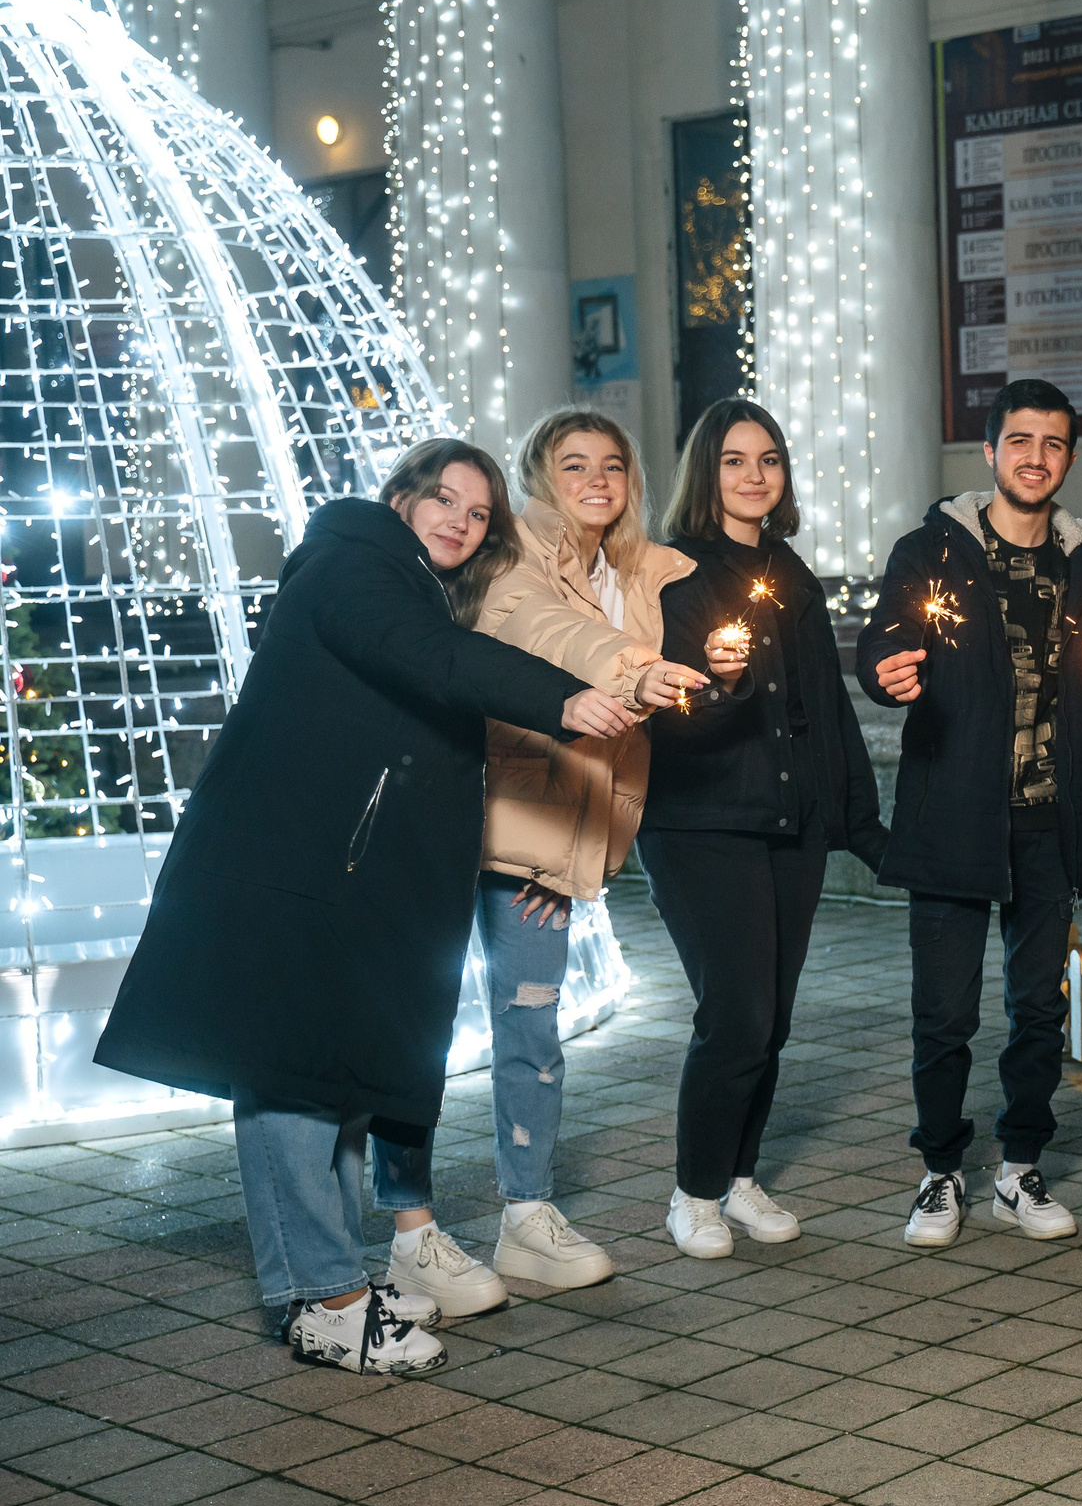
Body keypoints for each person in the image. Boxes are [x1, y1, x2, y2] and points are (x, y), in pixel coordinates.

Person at [94, 442, 629, 1375]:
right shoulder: (351, 560)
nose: (460, 521)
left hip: (335, 877)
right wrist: (565, 701)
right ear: (397, 499)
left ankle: (327, 1279)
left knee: (331, 1079)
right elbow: (431, 658)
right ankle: (325, 1298)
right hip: (291, 874)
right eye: (444, 499)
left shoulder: (402, 582)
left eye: (478, 513)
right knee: (295, 1077)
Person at [373, 411, 710, 1311]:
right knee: (414, 1029)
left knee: (534, 1025)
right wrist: (635, 668)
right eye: (574, 465)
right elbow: (550, 634)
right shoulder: (512, 552)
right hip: (457, 814)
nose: (597, 480)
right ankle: (411, 1228)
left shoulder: (643, 570)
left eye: (613, 464)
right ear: (537, 477)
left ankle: (527, 1217)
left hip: (540, 831)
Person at [855, 380, 1082, 1249]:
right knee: (944, 1014)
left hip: (1047, 823)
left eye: (1055, 444)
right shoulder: (933, 549)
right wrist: (888, 667)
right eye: (1020, 441)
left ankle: (1020, 1166)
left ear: (1069, 459)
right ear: (990, 453)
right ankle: (940, 1171)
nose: (1036, 457)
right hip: (952, 814)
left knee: (1039, 1007)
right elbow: (882, 639)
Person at [643, 398, 889, 1258]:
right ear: (704, 474)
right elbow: (670, 717)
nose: (755, 476)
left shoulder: (791, 575)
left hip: (790, 826)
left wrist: (860, 825)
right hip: (703, 821)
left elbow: (827, 712)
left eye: (769, 460)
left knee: (772, 1019)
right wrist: (713, 683)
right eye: (735, 460)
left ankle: (739, 1175)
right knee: (736, 1016)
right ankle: (694, 1192)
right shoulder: (669, 572)